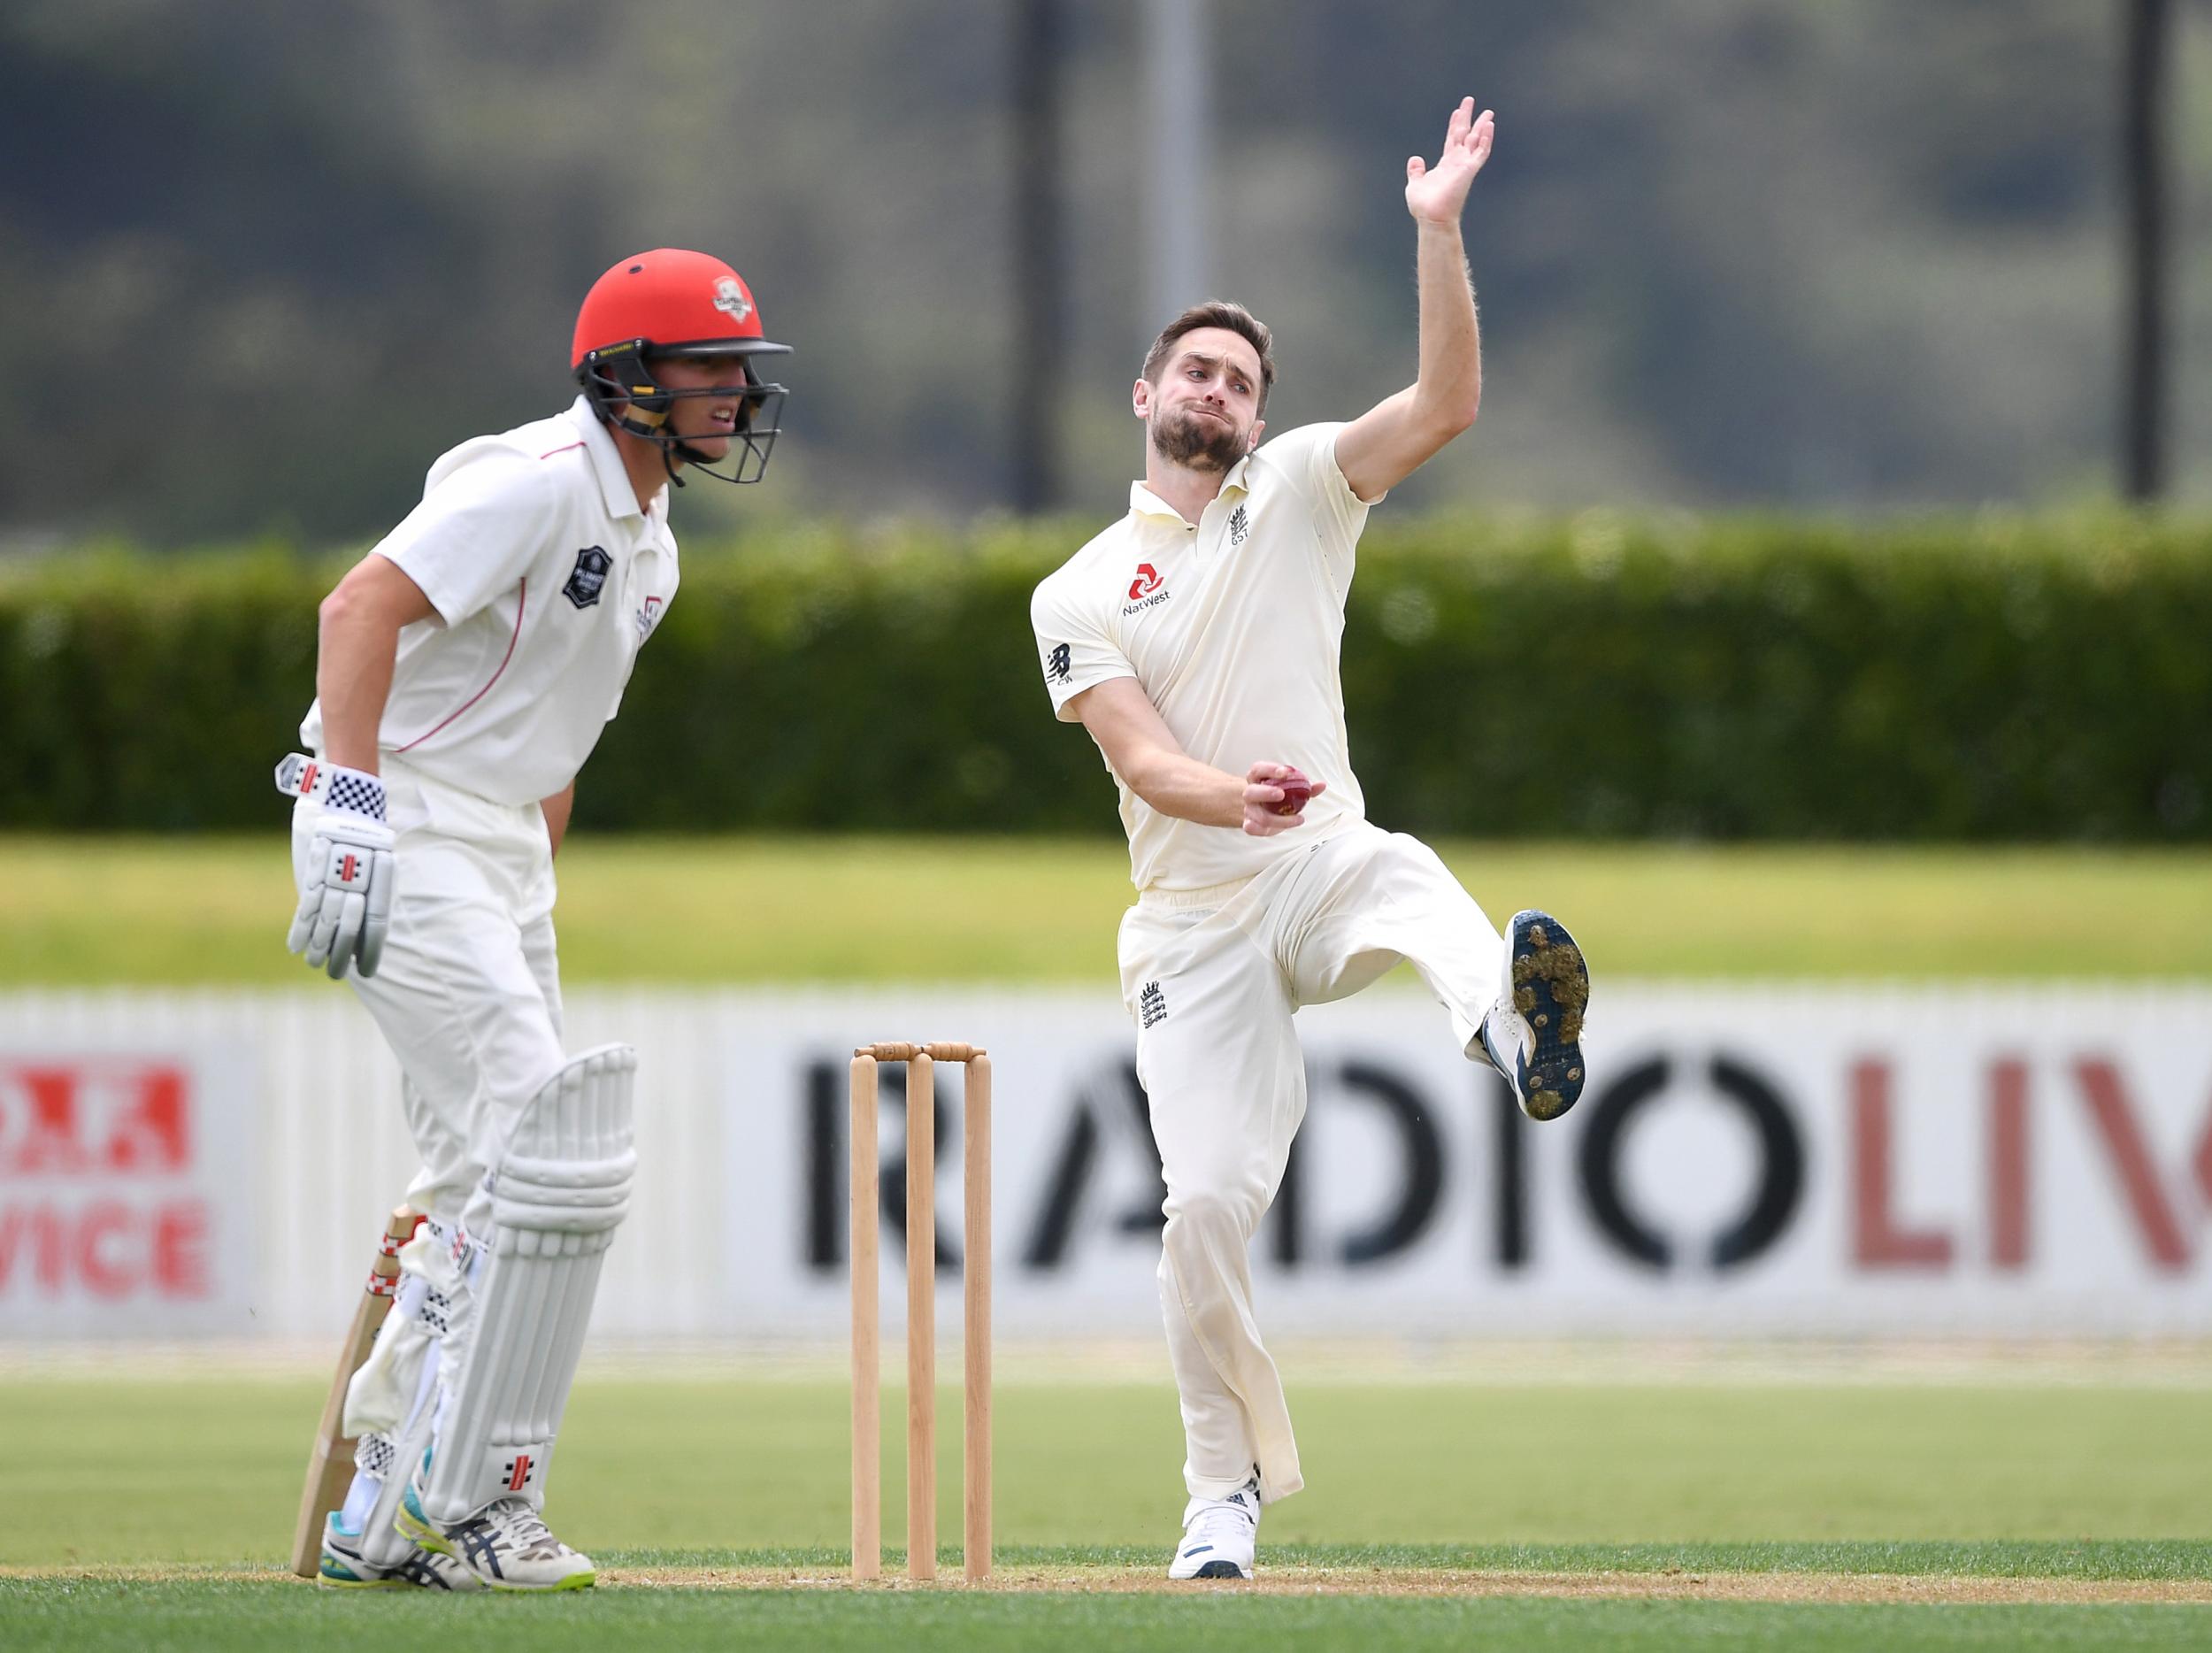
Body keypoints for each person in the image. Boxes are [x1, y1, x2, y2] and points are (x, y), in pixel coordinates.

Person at [1029, 99, 1591, 1581]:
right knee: (1203, 1208)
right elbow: (1142, 758)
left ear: (1259, 418)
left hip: (1315, 861)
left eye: (1241, 380)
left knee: (1394, 865)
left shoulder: (1302, 490)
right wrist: (1236, 797)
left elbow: (1447, 406)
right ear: (1145, 392)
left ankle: (1507, 1029)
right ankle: (1223, 1493)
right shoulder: (1076, 590)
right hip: (1195, 920)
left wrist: (1439, 232)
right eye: (1197, 369)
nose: (1218, 391)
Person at [280, 248, 792, 1590]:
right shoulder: (531, 483)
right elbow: (360, 604)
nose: (734, 393)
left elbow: (552, 745)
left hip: (501, 853)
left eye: (740, 369)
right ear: (627, 378)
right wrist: (349, 804)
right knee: (547, 1149)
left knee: (476, 1176)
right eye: (707, 368)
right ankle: (484, 1506)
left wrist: (531, 892)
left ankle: (385, 1508)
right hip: (410, 818)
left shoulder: (654, 546)